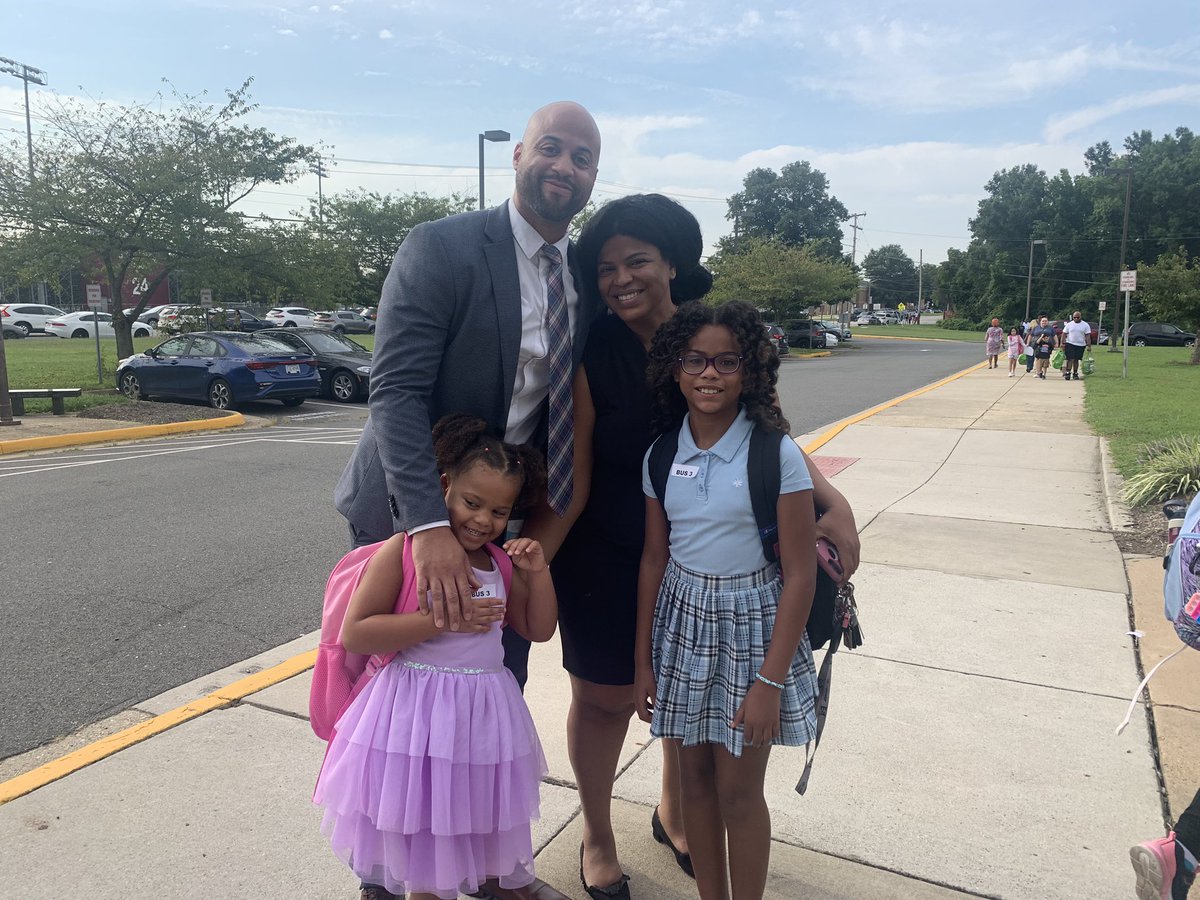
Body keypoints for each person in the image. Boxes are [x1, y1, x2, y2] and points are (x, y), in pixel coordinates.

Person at [521, 195, 861, 900]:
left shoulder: (709, 334)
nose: (621, 279)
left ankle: (677, 813)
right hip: (613, 546)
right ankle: (597, 834)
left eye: (637, 260)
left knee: (692, 703)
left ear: (672, 262)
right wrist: (528, 561)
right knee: (608, 696)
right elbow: (577, 477)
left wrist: (834, 501)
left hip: (706, 552)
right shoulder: (593, 352)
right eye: (607, 267)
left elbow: (767, 432)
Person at [333, 100, 601, 900]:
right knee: (392, 709)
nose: (564, 166)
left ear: (593, 176)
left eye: (582, 158)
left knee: (487, 688)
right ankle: (389, 879)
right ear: (519, 153)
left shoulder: (581, 273)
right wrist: (426, 529)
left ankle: (479, 868)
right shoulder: (444, 247)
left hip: (500, 514)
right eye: (550, 148)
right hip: (409, 506)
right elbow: (396, 387)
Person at [315, 415, 557, 900]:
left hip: (479, 718)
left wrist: (539, 573)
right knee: (419, 836)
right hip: (414, 715)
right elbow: (358, 632)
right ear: (444, 486)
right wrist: (442, 620)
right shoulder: (404, 551)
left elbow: (539, 629)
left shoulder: (500, 563)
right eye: (472, 503)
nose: (483, 520)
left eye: (498, 511)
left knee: (463, 822)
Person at [635, 301, 819, 900]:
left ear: (749, 370)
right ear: (675, 368)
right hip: (683, 629)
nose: (709, 374)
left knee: (739, 792)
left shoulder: (775, 454)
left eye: (725, 361)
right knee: (693, 784)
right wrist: (643, 661)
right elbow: (654, 560)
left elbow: (798, 575)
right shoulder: (662, 455)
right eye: (695, 360)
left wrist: (769, 683)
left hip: (753, 634)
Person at [1060, 310, 1091, 381]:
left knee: (1076, 359)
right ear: (1073, 317)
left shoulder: (1085, 325)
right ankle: (1068, 372)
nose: (1076, 319)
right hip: (1070, 343)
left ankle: (1075, 373)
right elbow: (1064, 333)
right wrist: (1062, 343)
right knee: (1070, 358)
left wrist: (1089, 345)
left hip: (1080, 344)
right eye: (1074, 317)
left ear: (1080, 317)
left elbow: (1087, 335)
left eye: (1078, 317)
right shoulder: (1069, 324)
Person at [1029, 315, 1056, 380]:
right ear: (1040, 322)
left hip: (1048, 346)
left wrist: (1057, 343)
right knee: (1038, 358)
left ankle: (1043, 373)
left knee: (1045, 359)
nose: (1044, 322)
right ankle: (1038, 372)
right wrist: (1028, 343)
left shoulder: (1050, 328)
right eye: (1043, 321)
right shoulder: (1036, 328)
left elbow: (1054, 335)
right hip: (1037, 345)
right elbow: (1030, 335)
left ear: (1048, 322)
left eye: (1045, 321)